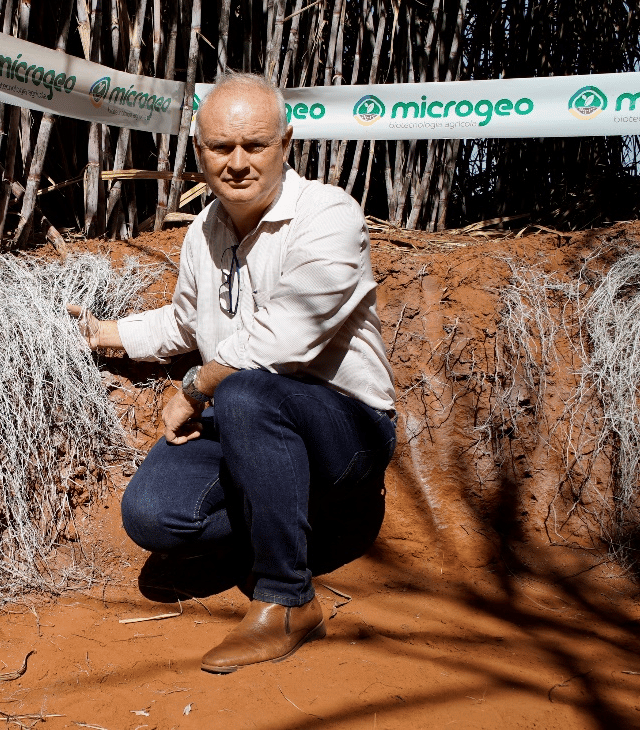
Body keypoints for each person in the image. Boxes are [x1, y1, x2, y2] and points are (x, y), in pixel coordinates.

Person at [67, 72, 397, 673]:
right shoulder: (204, 230)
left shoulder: (328, 214)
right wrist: (115, 335)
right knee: (154, 514)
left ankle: (288, 597)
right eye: (221, 148)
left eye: (255, 145)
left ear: (286, 143)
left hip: (344, 434)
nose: (238, 162)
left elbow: (287, 333)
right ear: (199, 150)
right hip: (249, 423)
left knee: (246, 390)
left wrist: (195, 386)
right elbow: (193, 322)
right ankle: (281, 515)